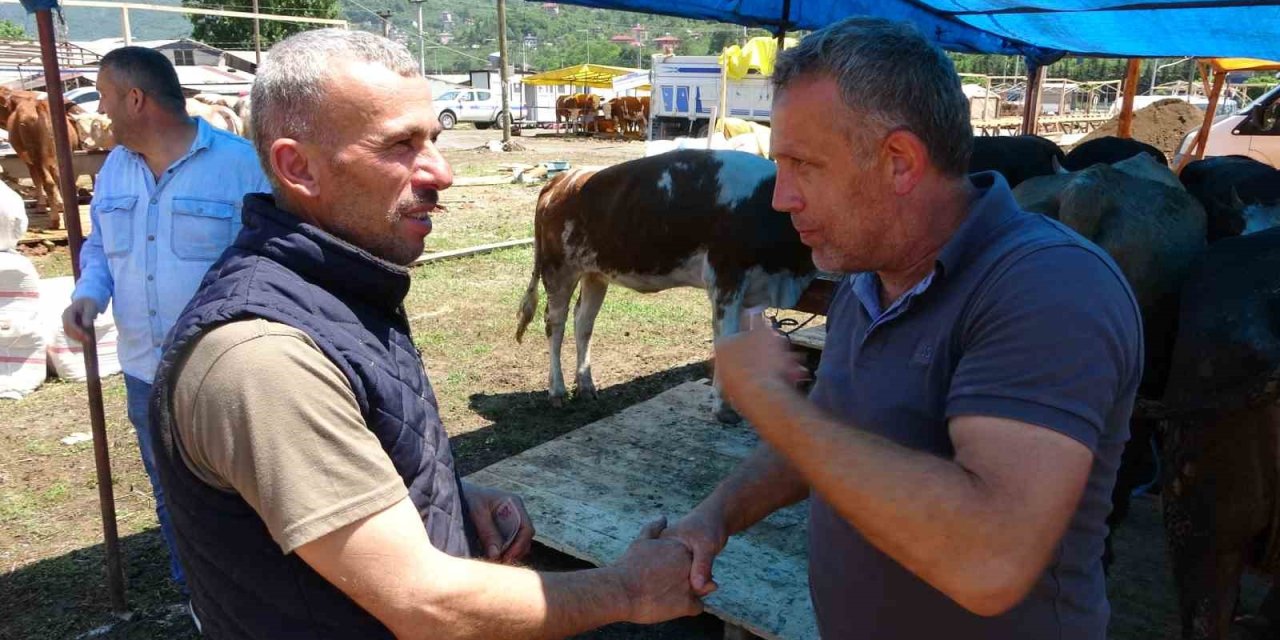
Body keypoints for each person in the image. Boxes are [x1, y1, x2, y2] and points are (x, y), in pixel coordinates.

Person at [147, 29, 702, 639]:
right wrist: (629, 589)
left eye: (434, 139)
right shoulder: (263, 358)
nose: (443, 172)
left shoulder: (340, 290)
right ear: (297, 166)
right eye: (400, 146)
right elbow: (424, 605)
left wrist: (445, 496)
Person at [663, 17, 1143, 640]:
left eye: (802, 164)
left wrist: (771, 402)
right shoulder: (870, 277)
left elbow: (991, 561)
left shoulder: (1050, 288)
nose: (782, 197)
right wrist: (716, 516)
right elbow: (829, 440)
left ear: (899, 162)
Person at [61, 46, 270, 595]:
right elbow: (101, 247)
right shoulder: (114, 170)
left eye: (104, 98)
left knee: (247, 486)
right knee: (169, 489)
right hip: (143, 371)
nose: (100, 111)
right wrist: (89, 294)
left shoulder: (242, 167)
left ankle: (260, 595)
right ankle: (198, 594)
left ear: (136, 99)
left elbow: (274, 262)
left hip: (224, 370)